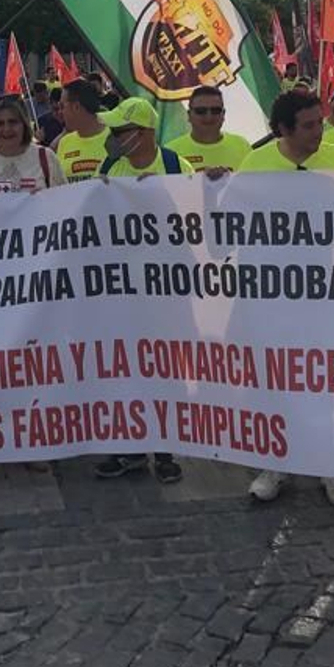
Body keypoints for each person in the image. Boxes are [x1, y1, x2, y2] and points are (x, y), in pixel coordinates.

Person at [237, 89, 334, 507]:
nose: (318, 132)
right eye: (307, 126)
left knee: (323, 378)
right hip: (272, 298)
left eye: (319, 122)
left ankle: (330, 466)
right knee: (274, 380)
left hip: (324, 294)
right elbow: (229, 232)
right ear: (283, 130)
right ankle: (277, 462)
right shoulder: (254, 166)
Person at [89, 96, 186, 485]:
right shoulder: (110, 166)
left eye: (121, 131)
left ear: (143, 134)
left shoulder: (177, 165)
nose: (113, 137)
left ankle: (164, 449)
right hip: (121, 290)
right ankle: (128, 447)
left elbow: (196, 218)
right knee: (125, 366)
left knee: (162, 368)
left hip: (165, 291)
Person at [0, 97, 60, 194]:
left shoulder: (46, 158)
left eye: (13, 122)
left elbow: (64, 202)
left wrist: (44, 199)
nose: (7, 129)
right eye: (0, 124)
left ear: (24, 125)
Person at [165, 85, 254, 173]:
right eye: (201, 111)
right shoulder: (171, 153)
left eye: (215, 111)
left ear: (223, 114)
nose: (209, 117)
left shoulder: (242, 147)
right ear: (189, 115)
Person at [55, 78, 110, 182]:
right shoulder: (64, 142)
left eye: (62, 106)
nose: (60, 113)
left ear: (76, 107)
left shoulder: (115, 139)